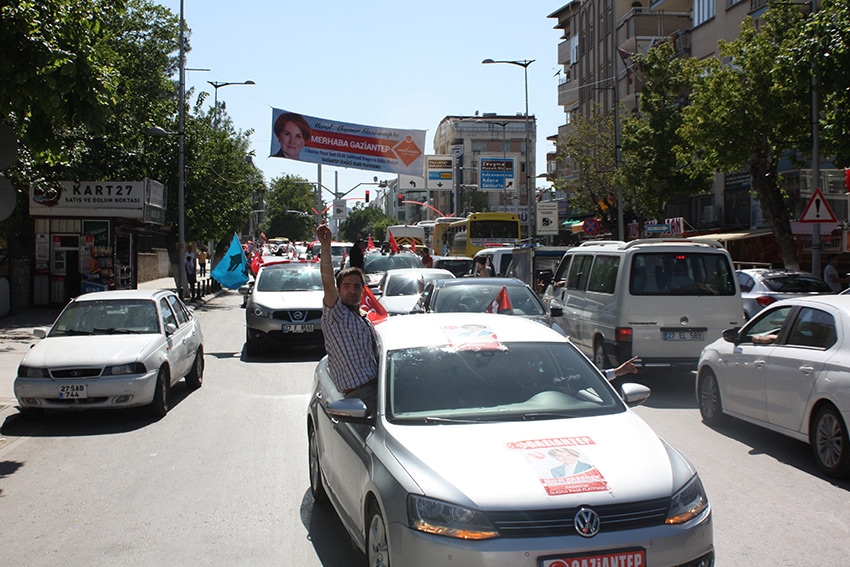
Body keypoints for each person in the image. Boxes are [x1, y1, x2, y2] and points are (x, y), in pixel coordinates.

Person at [315, 222, 379, 416]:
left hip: (381, 390)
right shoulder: (336, 314)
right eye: (347, 286)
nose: (352, 290)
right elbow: (327, 280)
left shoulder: (364, 319)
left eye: (357, 286)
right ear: (339, 289)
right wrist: (325, 247)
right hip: (359, 397)